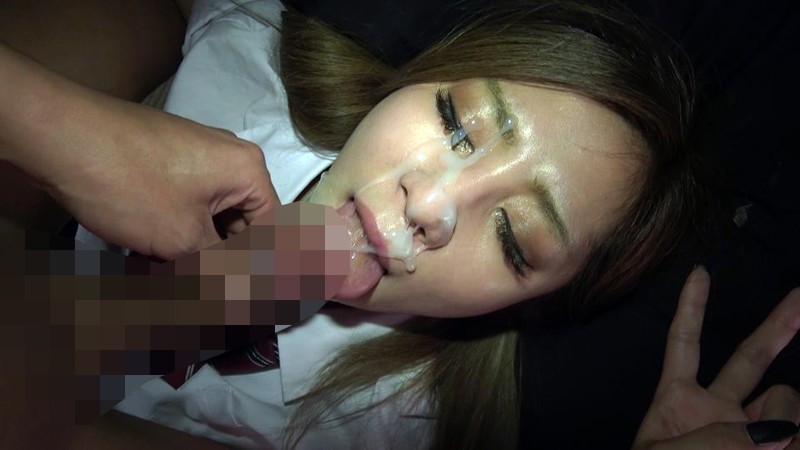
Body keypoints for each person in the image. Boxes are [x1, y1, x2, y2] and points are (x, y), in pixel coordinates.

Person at [1, 0, 797, 449]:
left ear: (527, 307)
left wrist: (221, 294)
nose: (431, 202)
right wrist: (73, 135)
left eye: (514, 239)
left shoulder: (393, 431)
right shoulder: (246, 51)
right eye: (455, 122)